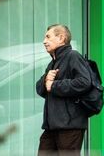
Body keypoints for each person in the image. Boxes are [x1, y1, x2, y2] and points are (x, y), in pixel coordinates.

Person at [36, 24, 92, 155]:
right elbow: (40, 89)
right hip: (52, 127)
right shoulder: (53, 63)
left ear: (61, 38)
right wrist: (45, 80)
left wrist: (54, 85)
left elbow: (84, 82)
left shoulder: (73, 56)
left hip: (70, 127)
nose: (44, 41)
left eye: (48, 37)